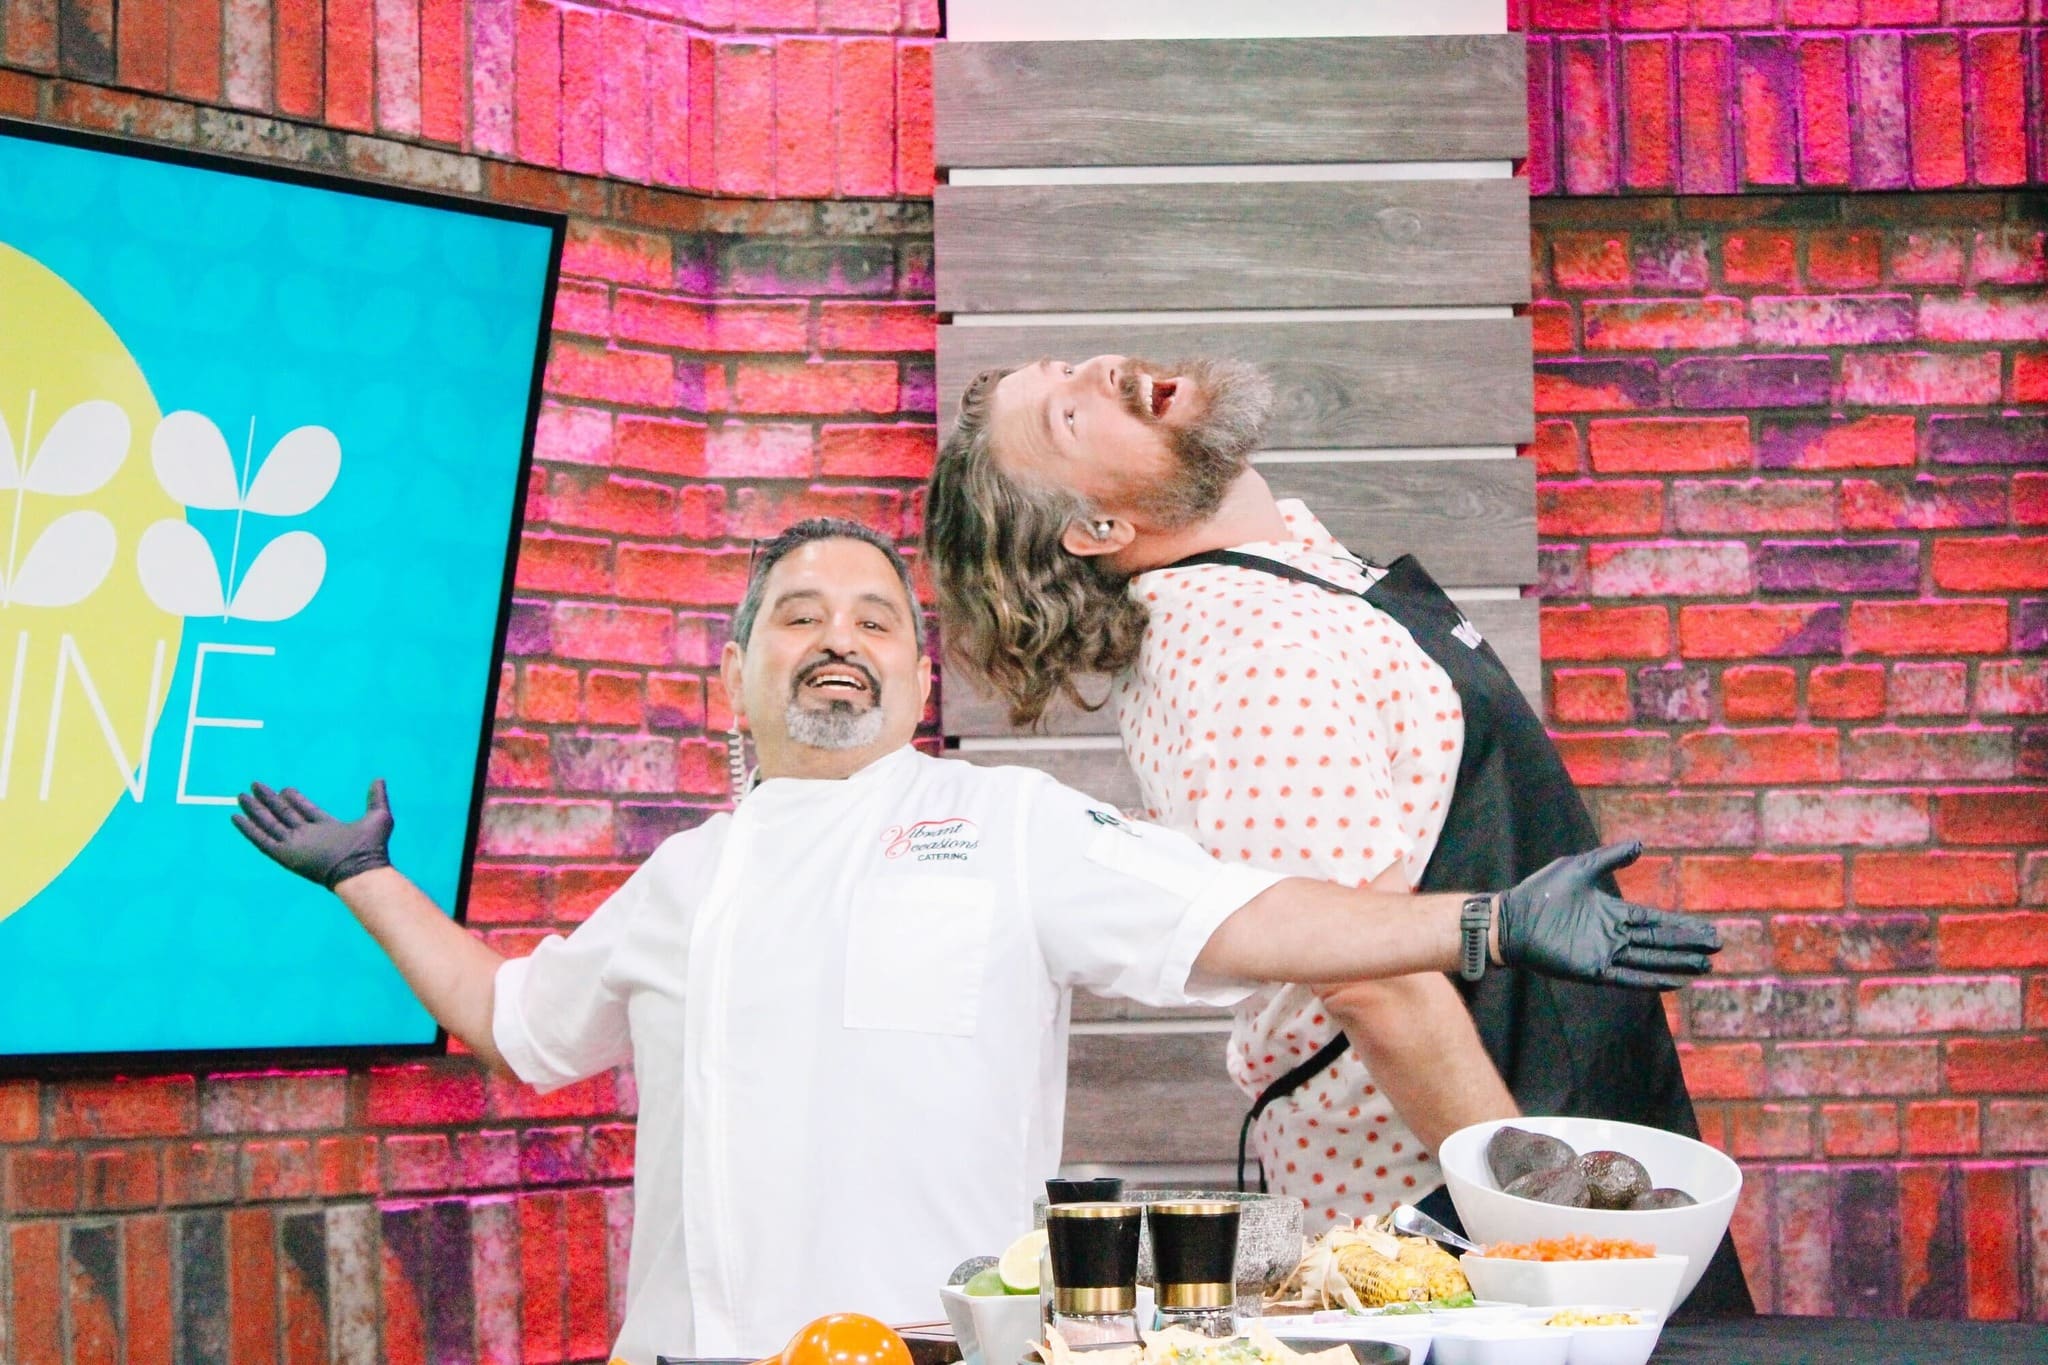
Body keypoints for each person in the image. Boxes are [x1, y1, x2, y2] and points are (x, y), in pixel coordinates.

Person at [230, 519, 1717, 1360]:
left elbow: (1248, 912)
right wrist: (367, 879)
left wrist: (1488, 922)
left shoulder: (1005, 825)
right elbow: (515, 1023)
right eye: (798, 614)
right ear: (732, 673)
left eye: (876, 619)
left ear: (916, 674)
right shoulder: (680, 880)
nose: (838, 634)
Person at [922, 359, 1753, 1315]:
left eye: (1074, 368)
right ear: (1101, 528)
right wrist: (1543, 1252)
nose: (1103, 369)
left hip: (1546, 1097)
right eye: (1072, 412)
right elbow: (1374, 977)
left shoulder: (1280, 569)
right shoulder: (1243, 651)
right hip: (1448, 1212)